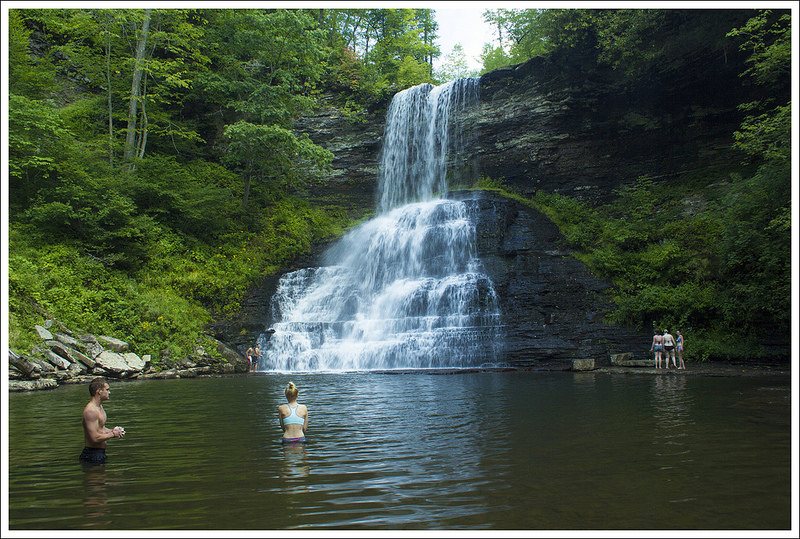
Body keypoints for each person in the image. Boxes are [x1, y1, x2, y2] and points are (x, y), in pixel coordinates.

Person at [80, 377, 125, 465]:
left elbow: (101, 429)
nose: (109, 392)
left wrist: (114, 431)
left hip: (99, 453)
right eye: (107, 390)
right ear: (99, 391)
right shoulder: (91, 411)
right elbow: (94, 438)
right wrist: (113, 434)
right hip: (92, 454)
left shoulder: (99, 407)